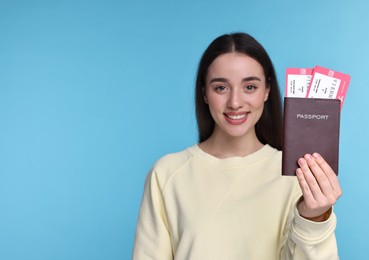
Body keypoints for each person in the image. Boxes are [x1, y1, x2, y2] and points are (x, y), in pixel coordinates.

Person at [132, 32, 342, 259]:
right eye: (221, 88)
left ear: (267, 90)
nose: (235, 102)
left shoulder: (297, 174)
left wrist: (314, 219)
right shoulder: (166, 174)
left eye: (249, 87)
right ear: (204, 92)